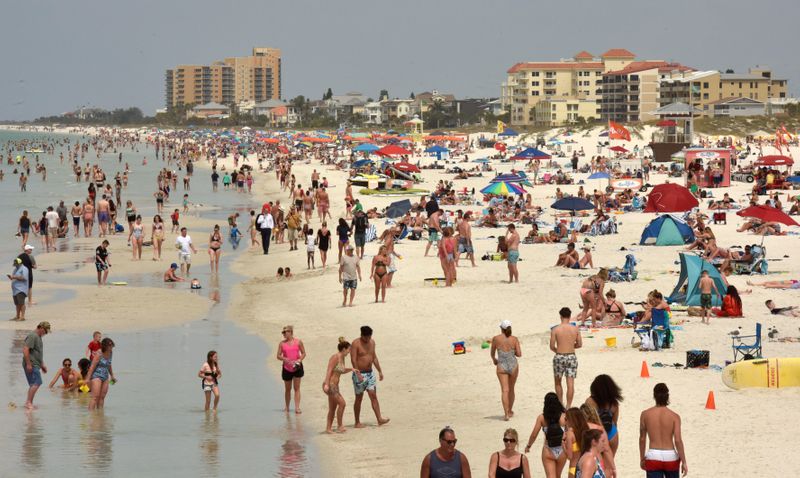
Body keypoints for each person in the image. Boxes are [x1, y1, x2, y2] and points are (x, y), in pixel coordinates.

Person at [639, 383, 687, 478]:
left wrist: (642, 458)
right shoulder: (675, 416)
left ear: (654, 396)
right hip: (671, 457)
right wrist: (684, 461)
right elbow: (677, 440)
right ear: (667, 397)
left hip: (653, 456)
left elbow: (642, 439)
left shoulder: (645, 414)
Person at [350, 325, 390, 427]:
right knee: (359, 398)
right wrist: (357, 373)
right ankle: (357, 422)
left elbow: (374, 357)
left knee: (373, 396)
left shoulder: (372, 342)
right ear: (361, 335)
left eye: (369, 336)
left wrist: (380, 371)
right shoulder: (355, 344)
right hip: (359, 374)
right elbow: (353, 359)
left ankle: (379, 419)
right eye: (366, 337)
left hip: (370, 373)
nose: (368, 339)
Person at [524, 393, 567, 478]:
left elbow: (534, 434)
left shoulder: (542, 418)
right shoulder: (564, 416)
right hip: (562, 450)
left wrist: (528, 446)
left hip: (548, 450)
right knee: (558, 476)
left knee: (550, 476)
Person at [585, 374, 623, 457]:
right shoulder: (614, 404)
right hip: (612, 433)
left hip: (596, 434)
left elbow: (587, 421)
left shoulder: (590, 401)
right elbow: (615, 422)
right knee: (610, 465)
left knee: (596, 464)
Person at [491, 320, 522, 421]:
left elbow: (492, 353)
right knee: (511, 389)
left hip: (502, 365)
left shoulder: (496, 339)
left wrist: (494, 360)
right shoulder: (514, 339)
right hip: (513, 365)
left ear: (501, 329)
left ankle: (506, 414)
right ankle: (510, 410)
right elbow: (519, 354)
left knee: (505, 390)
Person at [551, 307, 582, 408]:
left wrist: (559, 350)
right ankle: (568, 406)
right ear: (569, 316)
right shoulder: (575, 329)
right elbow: (580, 344)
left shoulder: (555, 329)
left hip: (559, 356)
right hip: (571, 356)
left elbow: (551, 346)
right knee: (570, 384)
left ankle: (560, 404)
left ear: (560, 316)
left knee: (558, 382)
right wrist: (570, 347)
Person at [323, 338, 353, 433]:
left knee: (332, 408)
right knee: (342, 403)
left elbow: (341, 370)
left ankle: (328, 428)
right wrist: (327, 384)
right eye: (348, 350)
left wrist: (352, 369)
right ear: (344, 349)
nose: (349, 352)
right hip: (330, 385)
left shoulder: (342, 358)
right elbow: (329, 370)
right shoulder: (335, 357)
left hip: (335, 386)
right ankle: (340, 426)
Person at [277, 325, 305, 414]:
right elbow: (278, 355)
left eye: (285, 332)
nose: (284, 334)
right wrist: (284, 359)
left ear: (291, 332)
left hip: (297, 367)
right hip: (286, 368)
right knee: (287, 389)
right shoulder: (282, 343)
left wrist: (299, 360)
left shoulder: (298, 342)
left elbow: (304, 353)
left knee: (297, 388)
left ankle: (297, 408)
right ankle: (287, 407)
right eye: (283, 332)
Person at [22, 322, 50, 409]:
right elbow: (25, 350)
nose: (46, 333)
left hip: (36, 364)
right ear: (41, 328)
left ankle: (29, 403)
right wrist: (29, 364)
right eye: (45, 331)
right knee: (37, 382)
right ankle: (28, 402)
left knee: (33, 384)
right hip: (31, 363)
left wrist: (42, 365)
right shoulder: (32, 336)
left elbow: (37, 353)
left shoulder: (38, 337)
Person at [86, 337, 115, 410]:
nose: (111, 347)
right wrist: (87, 379)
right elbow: (92, 367)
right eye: (110, 345)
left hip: (105, 376)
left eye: (112, 345)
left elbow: (109, 364)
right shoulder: (99, 353)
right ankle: (91, 415)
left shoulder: (110, 353)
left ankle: (100, 415)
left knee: (102, 397)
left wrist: (112, 376)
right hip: (96, 376)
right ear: (105, 346)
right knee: (95, 397)